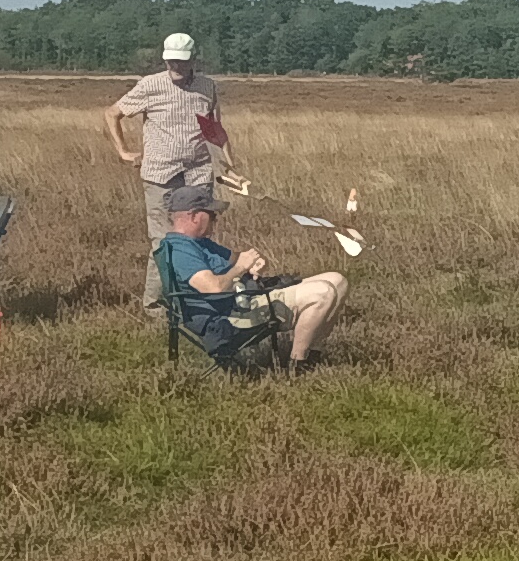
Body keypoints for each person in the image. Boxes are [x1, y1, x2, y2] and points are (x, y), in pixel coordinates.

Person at [154, 199, 345, 369]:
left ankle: (313, 353)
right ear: (194, 216)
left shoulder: (201, 243)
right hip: (231, 316)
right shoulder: (181, 252)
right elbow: (214, 288)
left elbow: (236, 258)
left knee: (338, 281)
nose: (216, 219)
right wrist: (240, 268)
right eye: (212, 215)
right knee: (324, 293)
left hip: (245, 299)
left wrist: (253, 264)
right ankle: (298, 364)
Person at [105, 32, 227, 289]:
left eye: (182, 60)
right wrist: (124, 152)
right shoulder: (150, 85)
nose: (176, 66)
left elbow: (215, 129)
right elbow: (112, 113)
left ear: (193, 58)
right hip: (160, 174)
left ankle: (197, 299)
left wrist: (227, 163)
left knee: (199, 238)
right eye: (171, 61)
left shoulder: (207, 87)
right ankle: (159, 306)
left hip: (198, 172)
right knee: (163, 242)